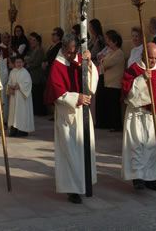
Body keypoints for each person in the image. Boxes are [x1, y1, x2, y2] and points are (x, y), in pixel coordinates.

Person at [44, 33, 99, 204]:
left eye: (74, 52)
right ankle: (72, 189)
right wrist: (76, 98)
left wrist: (89, 64)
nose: (71, 55)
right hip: (67, 115)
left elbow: (91, 83)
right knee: (70, 153)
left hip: (82, 113)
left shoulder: (78, 60)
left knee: (84, 151)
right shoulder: (57, 66)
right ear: (62, 48)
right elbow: (57, 94)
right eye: (68, 52)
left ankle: (85, 182)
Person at [121, 43, 156, 191]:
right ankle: (138, 178)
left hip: (154, 116)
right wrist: (141, 79)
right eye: (151, 57)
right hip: (138, 114)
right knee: (137, 148)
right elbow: (127, 92)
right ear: (143, 55)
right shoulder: (134, 69)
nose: (153, 61)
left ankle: (152, 178)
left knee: (154, 148)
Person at [98, 30, 125, 131]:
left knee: (114, 107)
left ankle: (116, 125)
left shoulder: (119, 53)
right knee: (110, 106)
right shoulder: (111, 53)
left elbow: (105, 63)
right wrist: (103, 61)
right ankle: (111, 124)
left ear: (115, 42)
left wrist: (103, 61)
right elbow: (102, 64)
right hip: (108, 83)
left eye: (110, 41)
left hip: (115, 84)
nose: (107, 43)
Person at [7, 56, 34, 137]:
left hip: (22, 97)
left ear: (23, 63)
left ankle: (23, 130)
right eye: (17, 62)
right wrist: (10, 88)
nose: (18, 64)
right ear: (14, 63)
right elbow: (9, 83)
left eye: (20, 62)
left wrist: (20, 86)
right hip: (14, 97)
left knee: (22, 113)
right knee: (13, 113)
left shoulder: (25, 73)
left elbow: (28, 84)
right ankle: (13, 129)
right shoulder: (12, 72)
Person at [26, 32, 46, 116]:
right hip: (32, 75)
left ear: (38, 42)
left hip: (37, 75)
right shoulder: (33, 50)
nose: (32, 42)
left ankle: (40, 111)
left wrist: (29, 65)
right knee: (34, 93)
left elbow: (37, 62)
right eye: (31, 40)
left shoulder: (40, 51)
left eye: (34, 40)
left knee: (38, 93)